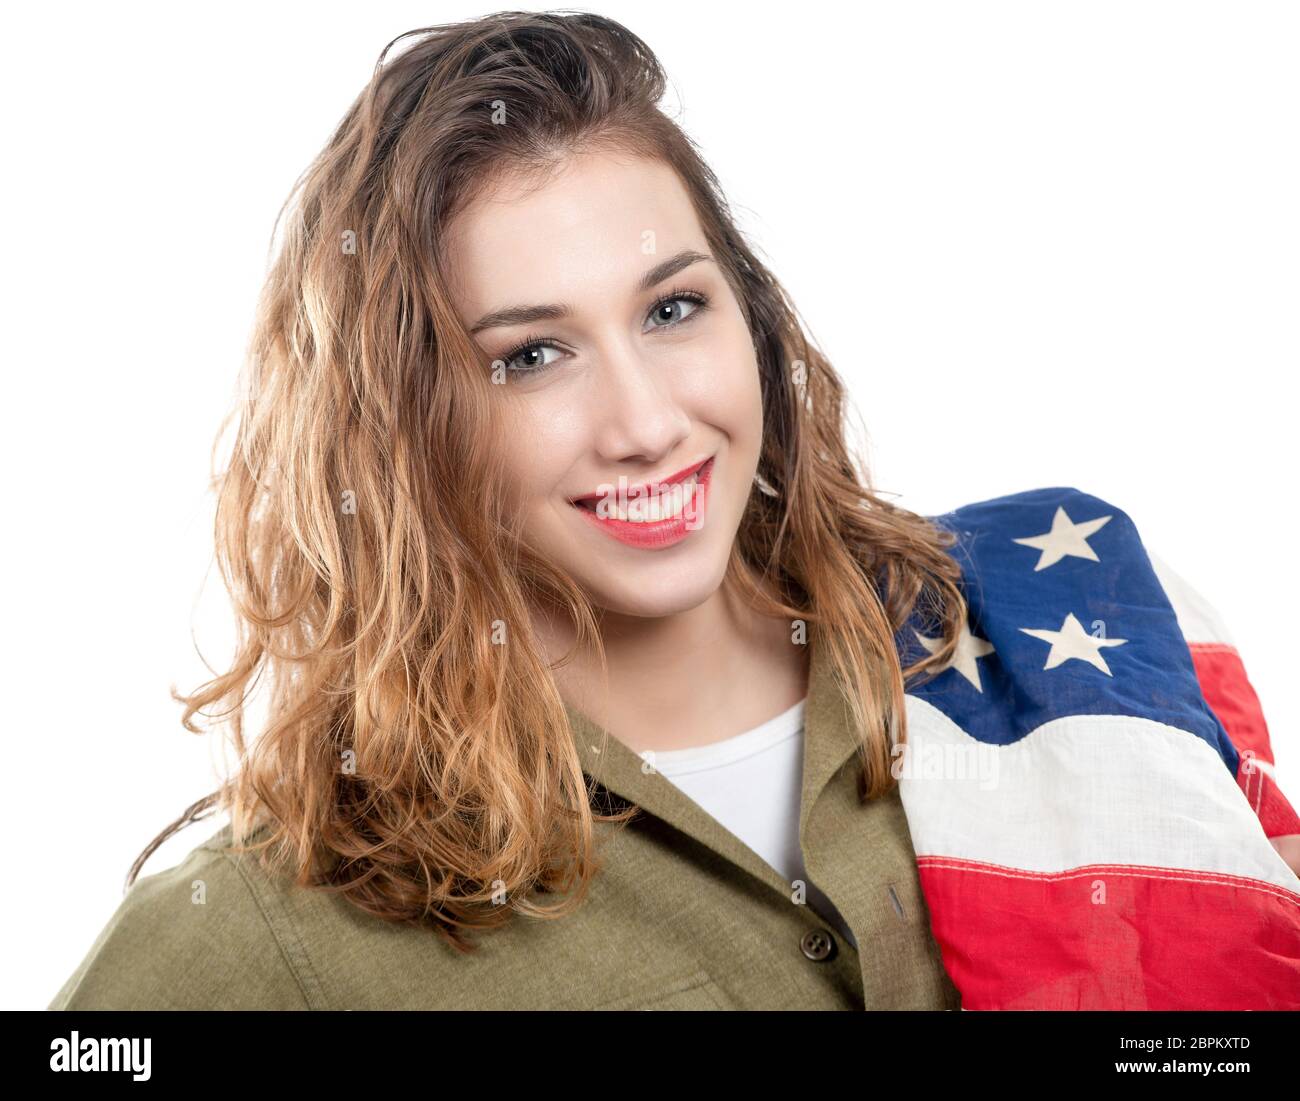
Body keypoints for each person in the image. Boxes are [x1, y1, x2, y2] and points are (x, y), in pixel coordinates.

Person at [49, 11, 1300, 1012]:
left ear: (749, 315)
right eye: (528, 356)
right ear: (403, 426)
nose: (644, 421)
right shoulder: (278, 932)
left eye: (670, 309)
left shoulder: (1059, 636)